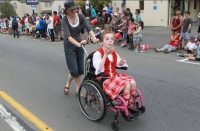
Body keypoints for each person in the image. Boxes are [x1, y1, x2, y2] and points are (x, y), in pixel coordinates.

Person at [92, 30, 136, 120]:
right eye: (107, 39)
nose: (110, 41)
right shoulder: (97, 53)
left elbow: (117, 64)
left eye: (112, 39)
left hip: (114, 76)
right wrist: (105, 55)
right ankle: (124, 109)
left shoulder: (114, 53)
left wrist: (121, 62)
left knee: (132, 82)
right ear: (102, 42)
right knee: (126, 84)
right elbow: (99, 70)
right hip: (104, 78)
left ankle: (129, 104)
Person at [62, 0, 98, 95]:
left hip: (80, 44)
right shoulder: (64, 20)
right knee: (74, 71)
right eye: (71, 10)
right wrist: (78, 44)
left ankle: (78, 89)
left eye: (75, 9)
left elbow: (88, 28)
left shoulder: (80, 16)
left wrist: (94, 37)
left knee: (80, 70)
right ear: (67, 11)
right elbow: (68, 37)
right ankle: (68, 82)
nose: (74, 12)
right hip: (69, 46)